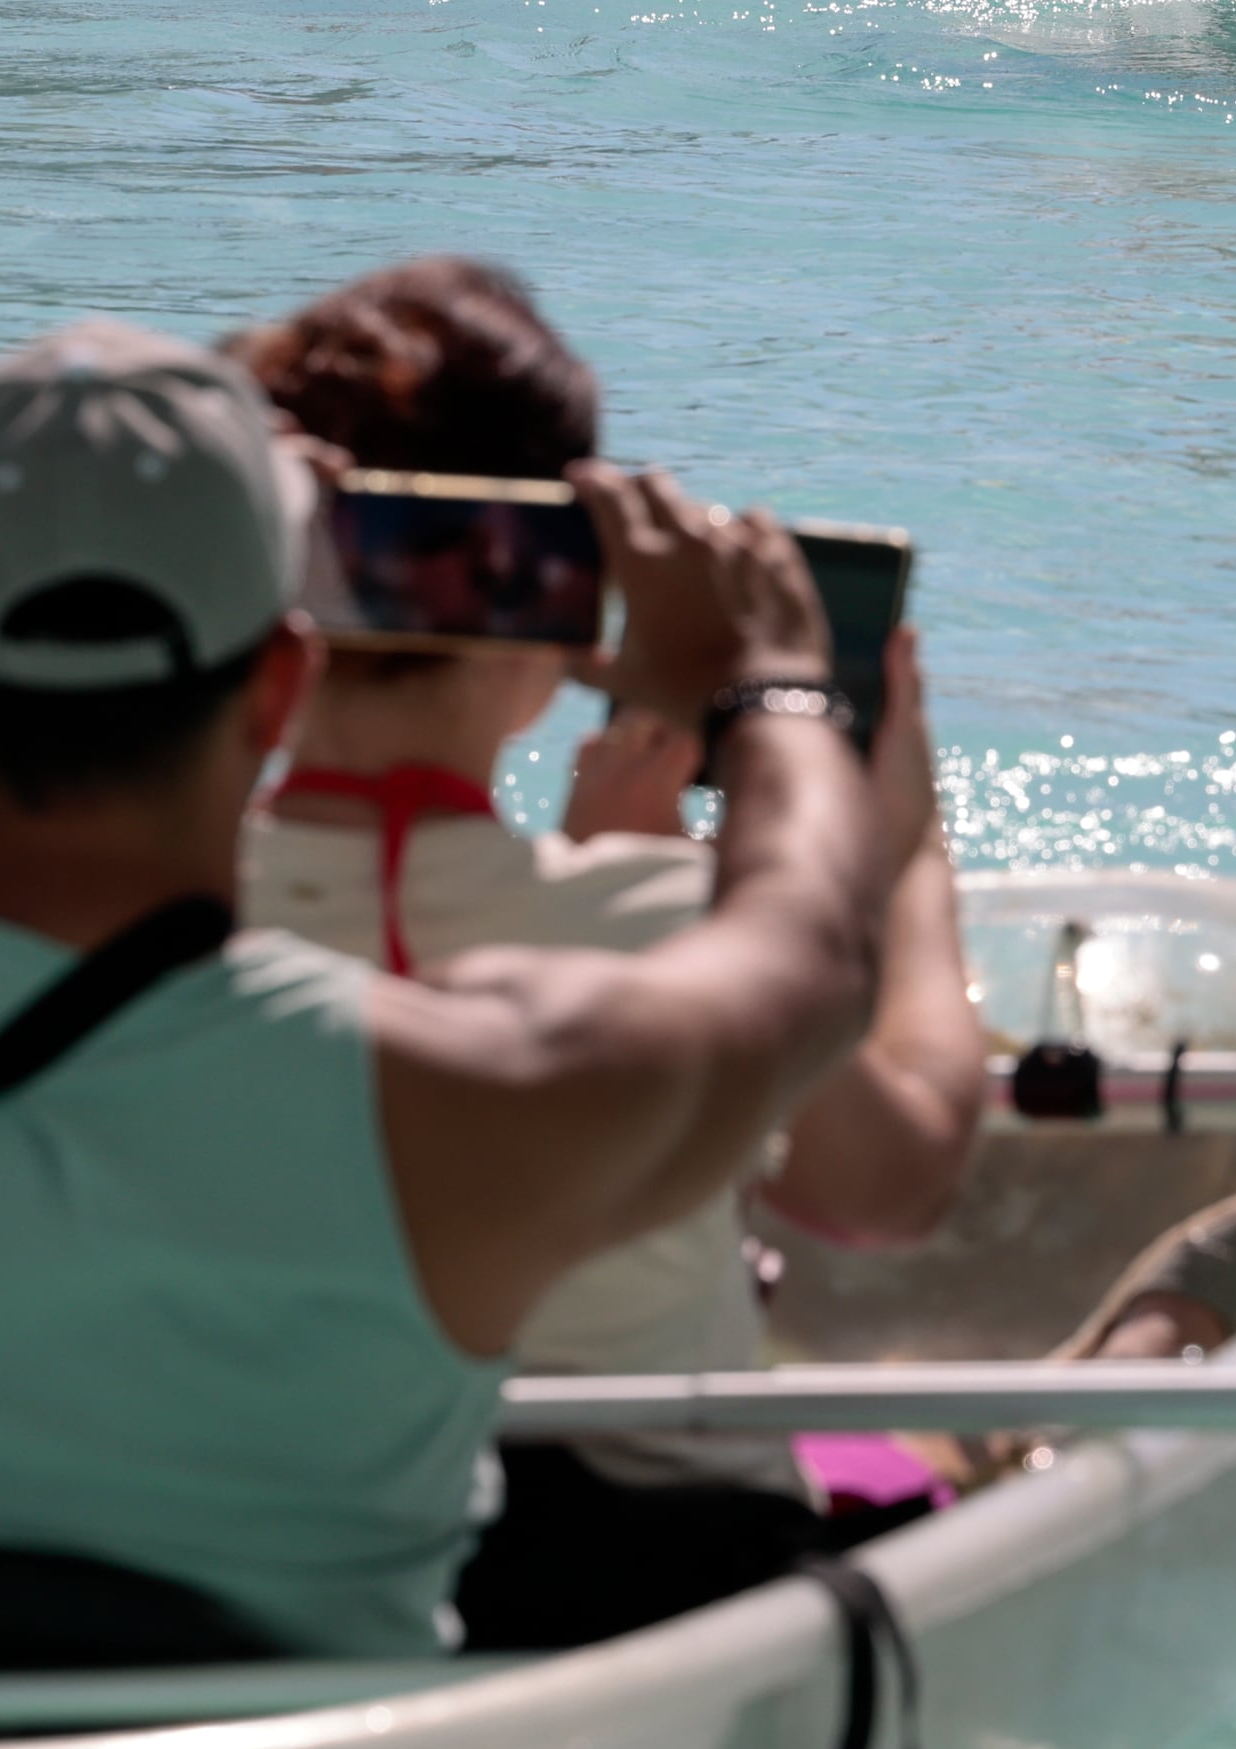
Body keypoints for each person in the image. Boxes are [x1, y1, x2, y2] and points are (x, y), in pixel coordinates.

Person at [0, 318, 891, 1677]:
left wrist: (120, 568)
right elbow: (810, 951)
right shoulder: (469, 1097)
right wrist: (776, 682)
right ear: (280, 682)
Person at [227, 259, 1004, 1649]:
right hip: (651, 1584)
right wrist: (903, 855)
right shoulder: (664, 927)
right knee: (936, 1452)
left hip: (271, 1565)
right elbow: (892, 1179)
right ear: (558, 595)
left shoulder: (134, 912)